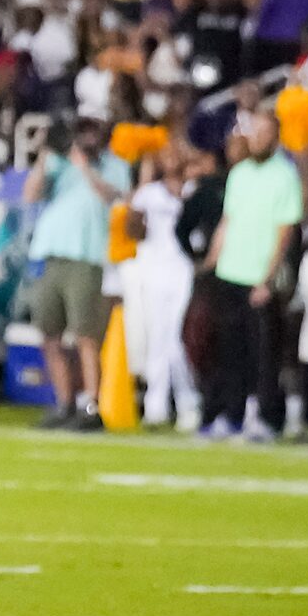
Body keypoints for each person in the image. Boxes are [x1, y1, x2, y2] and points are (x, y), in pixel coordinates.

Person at [197, 112, 304, 440]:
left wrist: (268, 279)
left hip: (258, 275)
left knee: (264, 352)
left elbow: (284, 232)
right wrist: (211, 262)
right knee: (230, 350)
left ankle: (265, 419)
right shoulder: (239, 173)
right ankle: (231, 415)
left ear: (276, 138)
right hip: (230, 271)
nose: (257, 139)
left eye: (264, 133)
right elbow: (228, 221)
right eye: (254, 133)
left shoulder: (285, 176)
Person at [25, 118, 128, 429]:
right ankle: (64, 402)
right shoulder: (59, 164)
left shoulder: (113, 164)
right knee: (50, 334)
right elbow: (31, 195)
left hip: (87, 257)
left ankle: (90, 406)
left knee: (86, 336)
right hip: (52, 256)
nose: (85, 137)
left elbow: (113, 197)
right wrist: (45, 155)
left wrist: (84, 167)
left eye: (91, 130)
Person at [123, 142, 201, 431]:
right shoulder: (149, 193)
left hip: (182, 269)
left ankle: (183, 402)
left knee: (175, 337)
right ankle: (162, 406)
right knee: (160, 337)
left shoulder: (194, 190)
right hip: (154, 270)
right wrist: (137, 204)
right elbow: (134, 231)